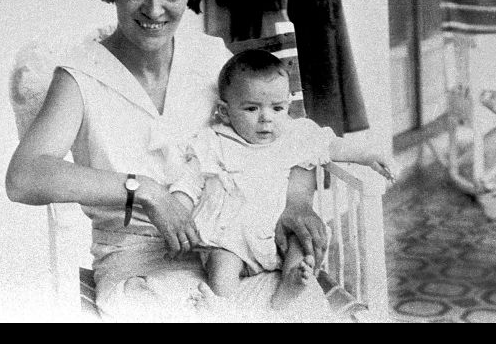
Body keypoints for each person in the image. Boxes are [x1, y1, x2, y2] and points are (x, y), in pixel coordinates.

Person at [5, 0, 330, 322]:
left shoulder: (211, 60)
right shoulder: (81, 76)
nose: (155, 8)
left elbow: (289, 137)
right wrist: (143, 190)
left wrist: (296, 201)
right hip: (141, 264)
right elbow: (23, 178)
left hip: (237, 254)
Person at [168, 49, 396, 313]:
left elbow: (331, 145)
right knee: (221, 271)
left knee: (301, 245)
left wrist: (368, 155)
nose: (266, 118)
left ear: (287, 106)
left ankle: (288, 287)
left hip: (279, 234)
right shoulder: (213, 142)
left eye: (277, 108)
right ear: (225, 111)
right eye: (252, 108)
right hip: (230, 239)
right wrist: (177, 215)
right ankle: (223, 309)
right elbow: (188, 183)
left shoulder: (294, 135)